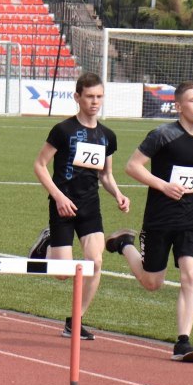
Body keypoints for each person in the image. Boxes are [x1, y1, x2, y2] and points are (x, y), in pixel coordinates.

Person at [106, 81, 193, 363]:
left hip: (191, 216)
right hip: (160, 217)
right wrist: (163, 186)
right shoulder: (163, 135)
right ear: (178, 106)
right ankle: (124, 243)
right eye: (192, 101)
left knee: (191, 273)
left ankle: (183, 342)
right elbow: (132, 166)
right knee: (152, 283)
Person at [30, 72, 130, 339]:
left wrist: (118, 194)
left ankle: (75, 320)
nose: (95, 102)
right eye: (89, 96)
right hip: (63, 204)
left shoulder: (108, 135)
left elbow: (105, 174)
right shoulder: (63, 130)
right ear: (77, 97)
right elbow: (40, 165)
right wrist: (58, 197)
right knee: (63, 274)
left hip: (90, 206)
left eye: (99, 96)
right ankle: (47, 242)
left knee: (95, 262)